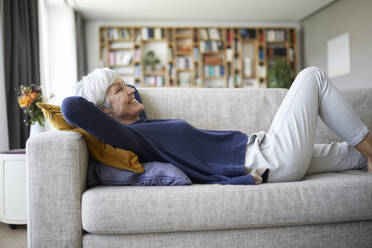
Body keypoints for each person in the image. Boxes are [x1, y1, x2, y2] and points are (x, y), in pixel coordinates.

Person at [62, 67, 372, 185]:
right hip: (269, 157)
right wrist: (101, 99)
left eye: (124, 84)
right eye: (118, 90)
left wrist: (116, 92)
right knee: (312, 77)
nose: (130, 89)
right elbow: (71, 107)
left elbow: (134, 95)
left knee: (350, 156)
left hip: (270, 155)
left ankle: (366, 155)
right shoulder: (131, 139)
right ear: (103, 112)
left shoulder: (141, 126)